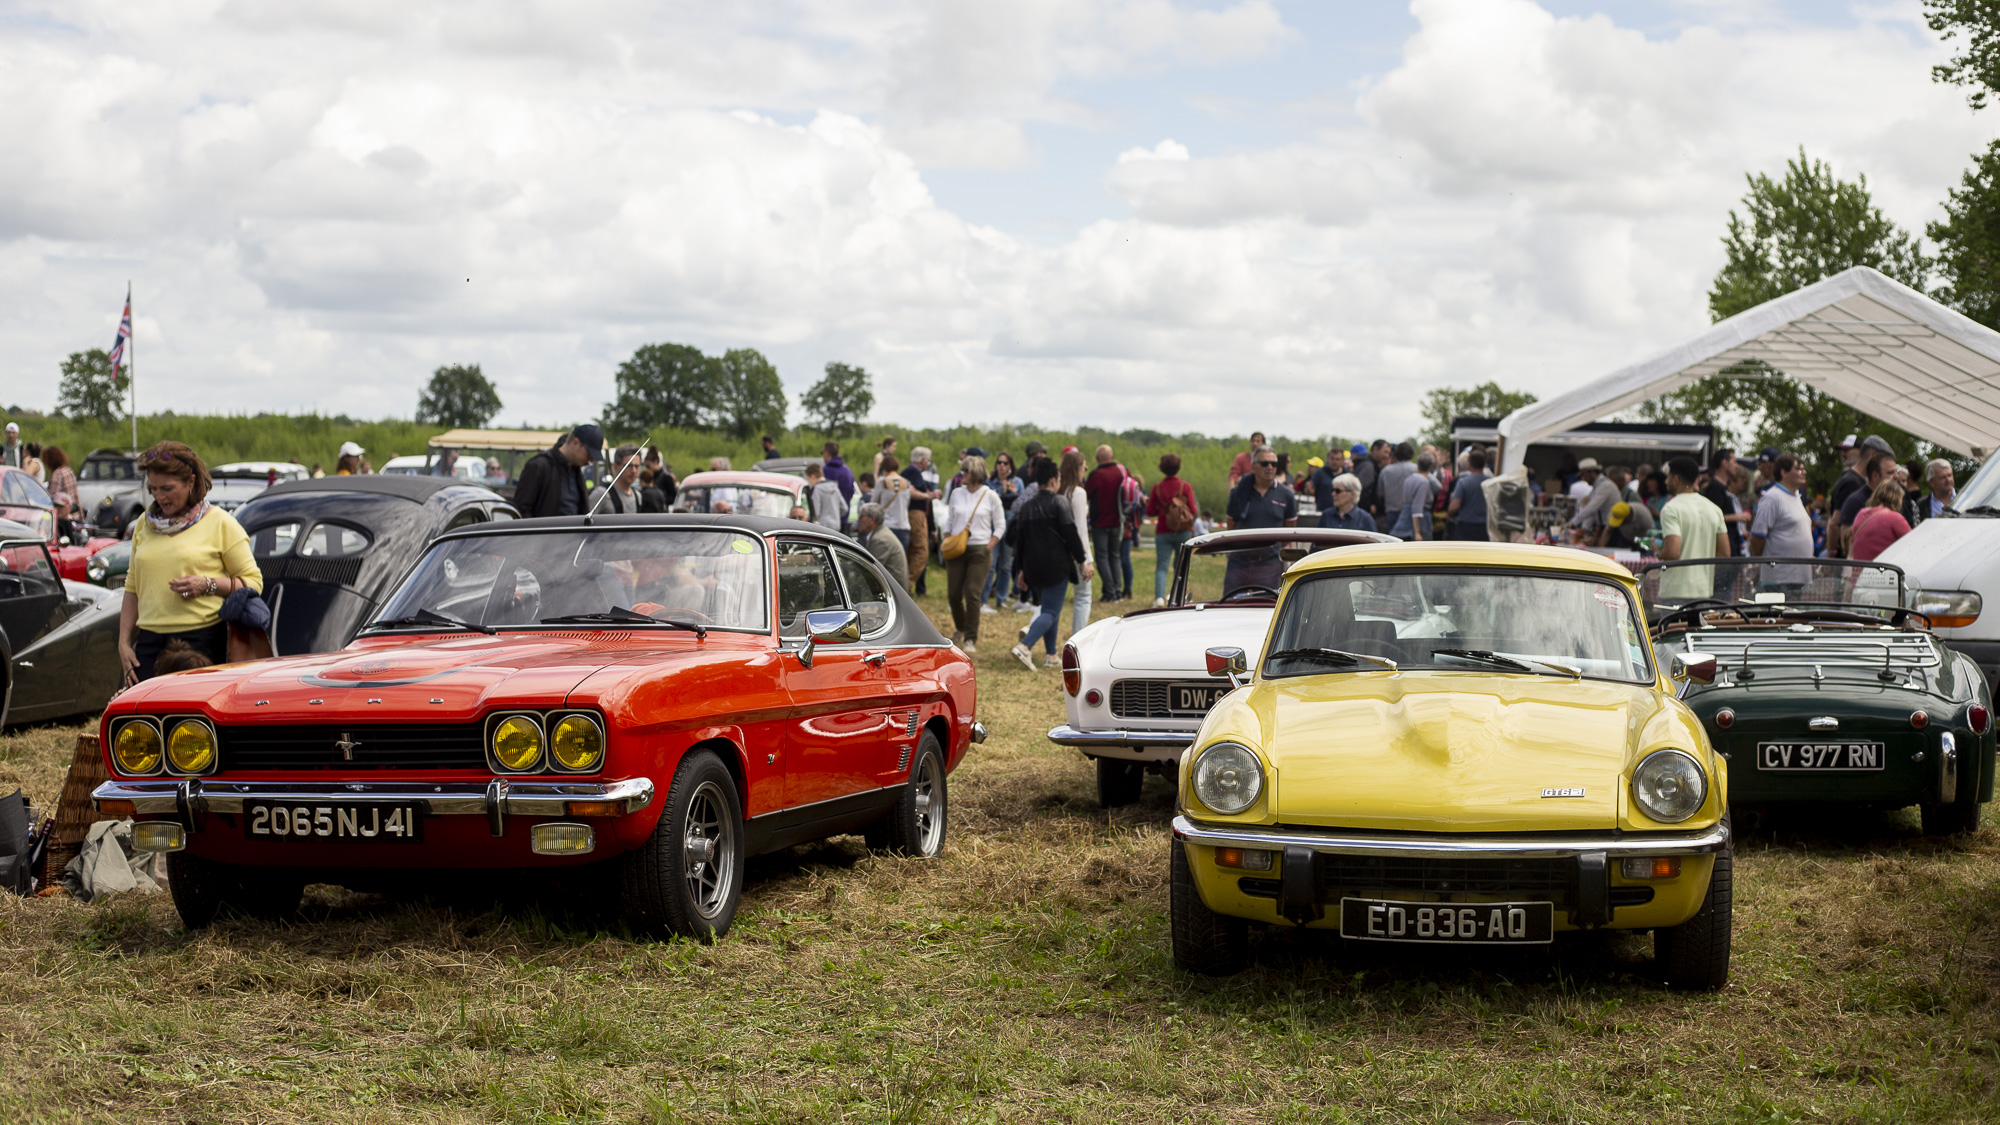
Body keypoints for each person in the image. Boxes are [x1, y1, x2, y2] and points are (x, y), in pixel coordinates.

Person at [116, 441, 265, 683]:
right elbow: (132, 585)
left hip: (201, 642)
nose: (159, 496)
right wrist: (123, 643)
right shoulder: (144, 523)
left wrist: (207, 584)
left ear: (191, 482)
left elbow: (254, 583)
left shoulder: (221, 523)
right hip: (149, 641)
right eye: (153, 488)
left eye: (167, 488)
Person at [1006, 458, 1090, 670]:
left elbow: (1021, 543)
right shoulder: (1059, 503)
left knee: (1049, 608)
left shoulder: (1026, 506)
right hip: (1056, 566)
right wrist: (1083, 561)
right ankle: (1025, 646)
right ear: (1053, 480)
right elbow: (1072, 536)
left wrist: (1022, 571)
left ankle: (1051, 655)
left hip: (1033, 567)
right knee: (1051, 612)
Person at [942, 456, 1004, 651]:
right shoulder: (956, 493)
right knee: (953, 594)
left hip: (980, 549)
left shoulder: (990, 495)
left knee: (973, 594)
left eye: (966, 471)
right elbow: (950, 520)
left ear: (975, 472)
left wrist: (989, 545)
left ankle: (971, 638)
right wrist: (946, 538)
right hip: (956, 548)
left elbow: (1000, 524)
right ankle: (960, 628)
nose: (962, 475)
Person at [1223, 445, 1297, 593]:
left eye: (1274, 464)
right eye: (1264, 464)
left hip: (1269, 564)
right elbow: (1231, 524)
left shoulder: (1287, 495)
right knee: (1231, 605)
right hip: (1238, 562)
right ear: (1254, 466)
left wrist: (1272, 548)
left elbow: (1289, 530)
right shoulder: (1238, 492)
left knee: (1266, 608)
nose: (1270, 467)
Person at [1657, 457, 1729, 602]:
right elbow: (1724, 553)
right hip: (1704, 590)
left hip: (1675, 590)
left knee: (1672, 626)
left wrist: (1658, 552)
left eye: (1668, 477)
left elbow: (1672, 552)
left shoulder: (1671, 508)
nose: (1665, 482)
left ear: (1676, 479)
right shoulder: (1713, 508)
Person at [1749, 454, 1815, 592]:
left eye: (1803, 469)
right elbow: (1756, 538)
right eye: (1798, 469)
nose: (1804, 472)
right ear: (1783, 472)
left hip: (1797, 578)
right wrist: (1763, 564)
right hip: (1779, 579)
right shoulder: (1772, 498)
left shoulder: (1797, 497)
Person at [513, 424, 605, 518]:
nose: (591, 460)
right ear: (575, 442)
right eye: (589, 454)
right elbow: (521, 509)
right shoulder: (538, 466)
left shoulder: (576, 472)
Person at [1145, 453, 1199, 606]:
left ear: (1162, 468)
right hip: (1184, 531)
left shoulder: (1157, 487)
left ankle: (1159, 598)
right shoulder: (1185, 486)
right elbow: (1193, 510)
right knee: (1181, 565)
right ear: (1178, 467)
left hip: (1163, 531)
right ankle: (1179, 596)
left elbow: (1149, 512)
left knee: (1162, 566)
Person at [1056, 448, 1095, 634]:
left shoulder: (1057, 491)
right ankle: (1077, 637)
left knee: (1053, 598)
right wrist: (1086, 558)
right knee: (1083, 597)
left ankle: (1032, 626)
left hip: (1058, 550)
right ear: (1077, 469)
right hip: (1075, 551)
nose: (1085, 470)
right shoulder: (1077, 493)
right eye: (1083, 466)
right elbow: (1080, 528)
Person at [1083, 445, 1128, 602]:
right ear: (1112, 456)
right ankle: (1117, 590)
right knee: (1115, 556)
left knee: (1102, 556)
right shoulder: (1121, 472)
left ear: (1097, 459)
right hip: (1117, 521)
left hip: (1100, 522)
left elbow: (1085, 493)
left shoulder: (1096, 475)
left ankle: (1110, 592)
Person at [983, 452, 1024, 610]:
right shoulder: (990, 482)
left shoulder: (1017, 482)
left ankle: (1001, 599)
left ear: (1010, 466)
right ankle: (984, 600)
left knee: (1006, 566)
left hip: (1011, 527)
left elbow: (1021, 501)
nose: (1002, 466)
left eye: (1005, 463)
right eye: (999, 462)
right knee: (991, 565)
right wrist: (1003, 495)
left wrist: (1010, 494)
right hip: (993, 527)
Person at [1836, 450, 1895, 558]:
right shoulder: (1855, 501)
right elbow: (1845, 542)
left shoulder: (1896, 498)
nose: (1896, 476)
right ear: (1875, 475)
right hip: (1862, 568)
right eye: (1890, 473)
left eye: (1895, 472)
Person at [902, 447, 942, 594]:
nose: (929, 463)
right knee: (921, 551)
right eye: (928, 460)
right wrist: (928, 496)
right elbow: (910, 491)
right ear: (922, 460)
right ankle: (906, 585)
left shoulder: (912, 472)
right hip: (916, 515)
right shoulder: (912, 472)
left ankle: (907, 584)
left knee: (914, 550)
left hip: (917, 515)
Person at [1848, 478, 1912, 562]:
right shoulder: (1895, 518)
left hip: (1859, 571)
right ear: (1897, 499)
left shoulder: (1861, 514)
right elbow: (1912, 544)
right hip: (1882, 571)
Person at [1700, 450, 1748, 556]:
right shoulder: (1714, 488)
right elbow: (1712, 518)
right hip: (1724, 552)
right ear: (1725, 463)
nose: (1737, 466)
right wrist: (1737, 517)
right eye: (1734, 462)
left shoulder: (1723, 488)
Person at [857, 503, 908, 590]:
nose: (858, 520)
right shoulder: (880, 533)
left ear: (872, 519)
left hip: (894, 593)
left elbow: (870, 572)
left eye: (861, 516)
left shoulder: (880, 540)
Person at [1390, 451, 1439, 541]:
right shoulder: (1423, 482)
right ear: (1431, 466)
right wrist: (1417, 532)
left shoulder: (1408, 479)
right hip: (1420, 522)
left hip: (1405, 517)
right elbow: (1417, 508)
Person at [1447, 447, 1489, 540]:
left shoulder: (1463, 482)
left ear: (1469, 464)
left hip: (1466, 527)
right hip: (1485, 526)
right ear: (1484, 464)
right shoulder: (1490, 482)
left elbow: (1455, 506)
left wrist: (1449, 513)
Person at [872, 454, 912, 551]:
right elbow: (907, 504)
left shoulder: (882, 482)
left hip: (887, 526)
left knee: (882, 563)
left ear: (883, 467)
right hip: (903, 526)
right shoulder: (906, 483)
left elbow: (873, 504)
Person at [599, 445, 650, 514]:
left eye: (636, 466)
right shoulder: (602, 494)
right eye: (628, 466)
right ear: (616, 466)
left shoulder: (638, 496)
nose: (634, 471)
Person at [1376, 442, 1415, 533]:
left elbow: (1380, 493)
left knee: (1393, 544)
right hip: (1411, 513)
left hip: (1391, 513)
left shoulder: (1386, 471)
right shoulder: (1417, 469)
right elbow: (1436, 486)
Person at [44, 445, 77, 542]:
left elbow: (50, 496)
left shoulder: (57, 474)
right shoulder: (68, 470)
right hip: (74, 514)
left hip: (63, 516)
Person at [804, 462, 845, 530]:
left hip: (823, 528)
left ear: (812, 476)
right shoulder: (834, 487)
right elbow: (844, 508)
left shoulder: (817, 489)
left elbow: (815, 513)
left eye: (808, 479)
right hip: (836, 526)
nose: (809, 483)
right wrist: (835, 516)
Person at [1917, 458, 1957, 522]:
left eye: (1949, 475)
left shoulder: (1966, 498)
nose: (1948, 480)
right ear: (1931, 482)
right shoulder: (1922, 505)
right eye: (1943, 477)